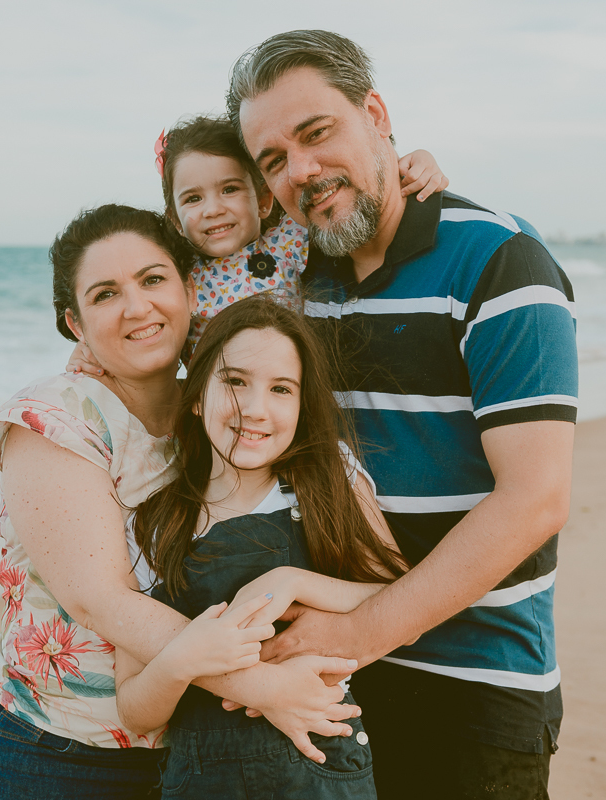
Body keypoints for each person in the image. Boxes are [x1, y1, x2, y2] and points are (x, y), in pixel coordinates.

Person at [224, 30, 579, 799]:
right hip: (322, 686)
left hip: (476, 685)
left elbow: (536, 499)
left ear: (376, 115)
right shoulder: (292, 280)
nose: (303, 171)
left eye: (317, 133)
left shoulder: (499, 259)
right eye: (274, 160)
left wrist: (359, 632)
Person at [0, 205, 360, 800]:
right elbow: (100, 601)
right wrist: (266, 685)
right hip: (56, 750)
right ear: (75, 322)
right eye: (105, 294)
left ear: (189, 288)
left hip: (196, 751)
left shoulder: (219, 408)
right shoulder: (56, 417)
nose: (137, 308)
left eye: (152, 280)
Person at [114, 295, 408, 798]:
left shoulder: (327, 480)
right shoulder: (155, 521)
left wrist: (292, 582)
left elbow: (399, 601)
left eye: (281, 389)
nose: (256, 409)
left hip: (323, 774)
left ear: (301, 405)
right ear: (196, 394)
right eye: (234, 381)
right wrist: (184, 659)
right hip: (203, 782)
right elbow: (135, 709)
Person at [71, 115, 446, 371]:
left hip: (299, 395)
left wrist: (417, 162)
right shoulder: (180, 283)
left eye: (230, 189)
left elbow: (351, 199)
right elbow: (141, 331)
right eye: (193, 199)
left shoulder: (286, 243)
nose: (213, 210)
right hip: (219, 413)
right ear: (175, 219)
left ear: (264, 199)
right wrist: (86, 350)